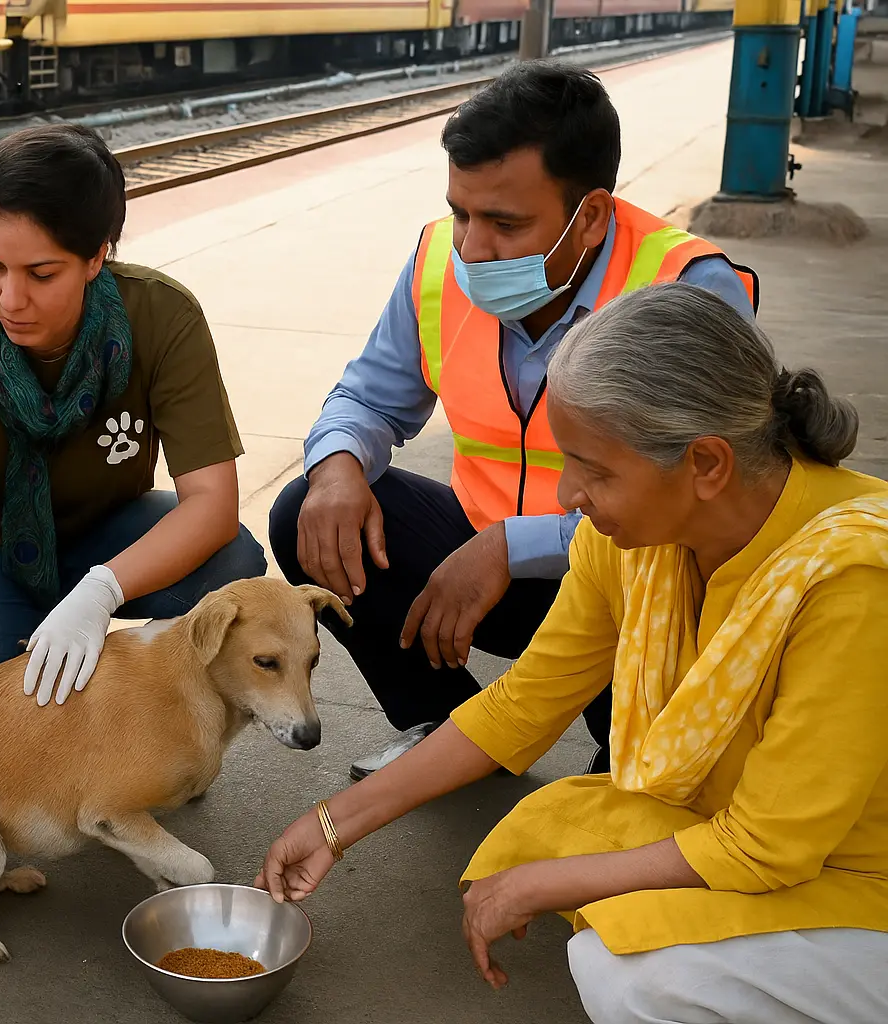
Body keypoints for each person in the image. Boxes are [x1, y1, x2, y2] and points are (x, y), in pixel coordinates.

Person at [258, 282, 888, 1024]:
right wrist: (336, 821)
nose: (568, 495)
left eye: (595, 469)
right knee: (539, 841)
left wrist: (543, 889)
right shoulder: (635, 540)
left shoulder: (854, 581)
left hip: (853, 871)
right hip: (742, 826)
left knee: (629, 975)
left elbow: (765, 846)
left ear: (708, 464)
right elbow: (525, 703)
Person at [268, 60, 760, 780]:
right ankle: (450, 727)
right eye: (462, 212)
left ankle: (624, 751)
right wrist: (337, 468)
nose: (470, 245)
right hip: (477, 561)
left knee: (645, 742)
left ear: (590, 216)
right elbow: (369, 398)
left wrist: (513, 547)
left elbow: (701, 500)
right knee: (306, 511)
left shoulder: (685, 290)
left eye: (504, 223)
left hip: (628, 574)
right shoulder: (441, 258)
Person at [0, 123, 267, 708]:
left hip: (103, 532)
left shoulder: (161, 317)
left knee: (233, 568)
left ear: (97, 255)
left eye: (41, 274)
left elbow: (213, 503)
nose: (10, 298)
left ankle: (156, 717)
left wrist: (103, 589)